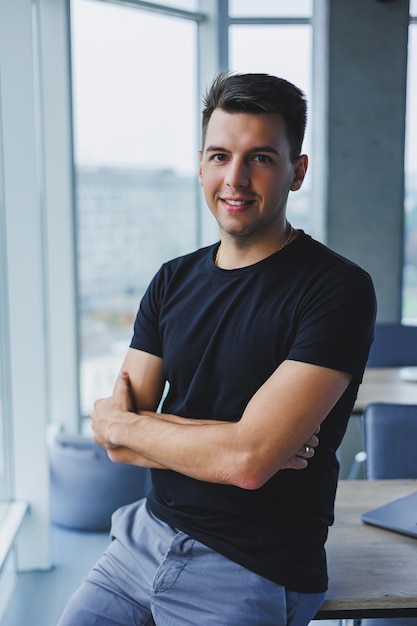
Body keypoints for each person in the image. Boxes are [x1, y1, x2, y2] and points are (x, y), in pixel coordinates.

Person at [57, 72, 376, 626]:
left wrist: (131, 427)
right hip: (141, 538)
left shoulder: (337, 289)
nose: (235, 178)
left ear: (296, 171)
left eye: (261, 159)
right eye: (220, 155)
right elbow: (118, 444)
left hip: (248, 566)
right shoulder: (171, 280)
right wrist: (225, 441)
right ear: (201, 164)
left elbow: (247, 463)